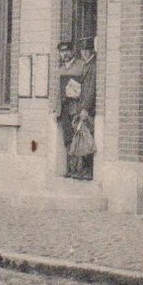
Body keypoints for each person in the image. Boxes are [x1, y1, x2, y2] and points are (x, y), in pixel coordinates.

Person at [54, 39, 83, 177]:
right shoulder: (60, 70)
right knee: (68, 138)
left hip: (76, 108)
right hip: (64, 109)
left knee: (79, 137)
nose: (65, 54)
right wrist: (56, 109)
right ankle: (70, 168)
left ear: (73, 52)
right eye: (62, 52)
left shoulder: (80, 67)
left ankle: (79, 168)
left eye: (67, 51)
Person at [74, 37, 97, 180]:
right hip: (82, 106)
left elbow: (91, 89)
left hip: (89, 109)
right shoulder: (85, 65)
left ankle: (89, 169)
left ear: (91, 51)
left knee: (88, 138)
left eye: (86, 50)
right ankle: (83, 169)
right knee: (83, 136)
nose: (84, 53)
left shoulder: (93, 66)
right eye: (82, 50)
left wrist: (86, 108)